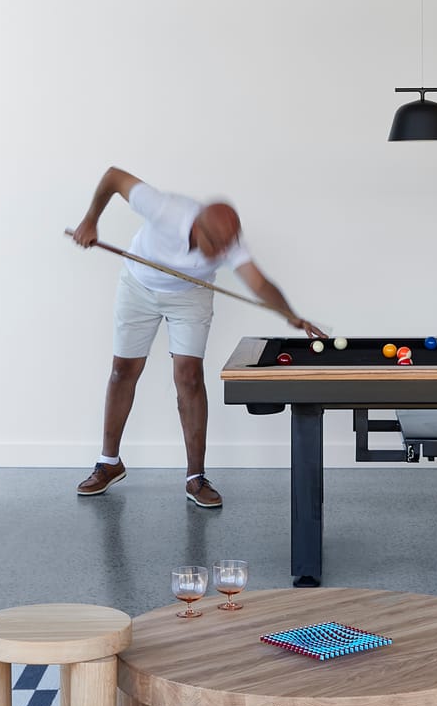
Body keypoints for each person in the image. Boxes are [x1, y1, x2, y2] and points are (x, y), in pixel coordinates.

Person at [70, 167, 321, 507]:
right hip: (138, 285)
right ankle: (109, 463)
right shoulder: (163, 208)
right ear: (197, 227)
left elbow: (259, 283)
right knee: (123, 370)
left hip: (190, 294)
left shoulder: (229, 242)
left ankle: (195, 477)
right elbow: (114, 177)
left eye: (227, 246)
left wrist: (291, 315)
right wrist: (90, 220)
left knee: (189, 376)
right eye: (215, 246)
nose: (222, 254)